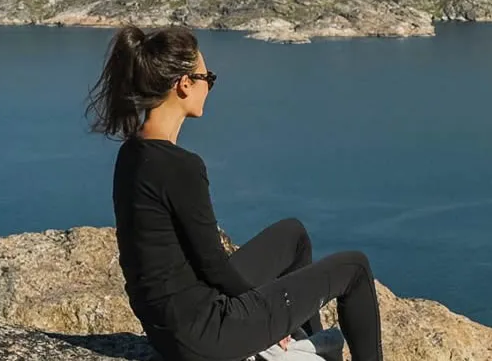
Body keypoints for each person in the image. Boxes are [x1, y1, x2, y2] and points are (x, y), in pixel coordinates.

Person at [90, 25, 383, 361]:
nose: (210, 86)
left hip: (168, 330)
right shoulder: (180, 166)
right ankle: (296, 341)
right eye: (207, 77)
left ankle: (309, 347)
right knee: (355, 268)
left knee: (294, 235)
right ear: (184, 85)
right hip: (207, 335)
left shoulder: (131, 153)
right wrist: (271, 320)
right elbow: (213, 265)